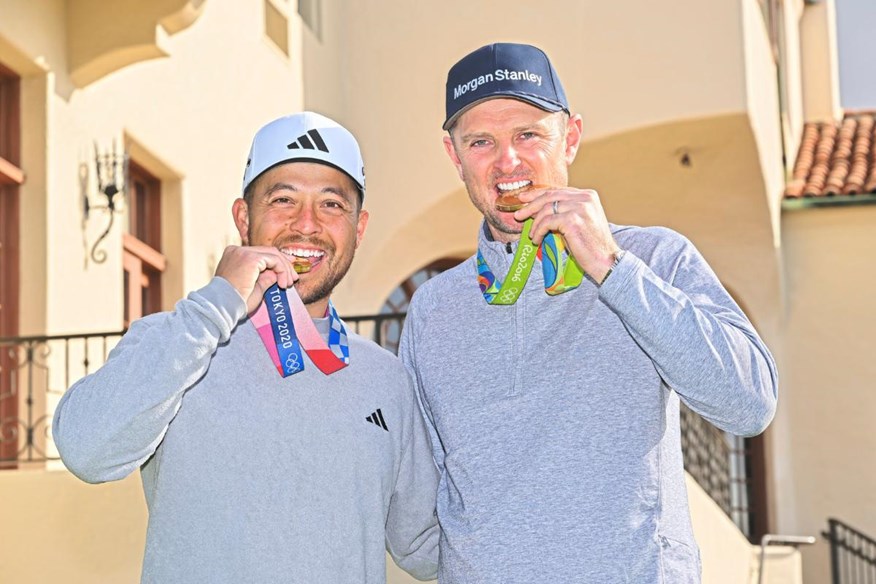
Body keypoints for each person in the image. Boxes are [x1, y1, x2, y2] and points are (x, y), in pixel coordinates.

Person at [399, 43, 778, 583]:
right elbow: (419, 489)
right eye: (481, 141)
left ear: (570, 137)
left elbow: (750, 404)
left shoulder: (654, 257)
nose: (507, 161)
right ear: (453, 155)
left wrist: (612, 267)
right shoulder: (434, 308)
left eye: (528, 135)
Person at [53, 112, 439, 584]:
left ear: (358, 228)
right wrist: (214, 305)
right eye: (283, 199)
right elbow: (86, 449)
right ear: (243, 217)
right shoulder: (177, 341)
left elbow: (426, 546)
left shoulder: (386, 377)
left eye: (332, 205)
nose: (307, 225)